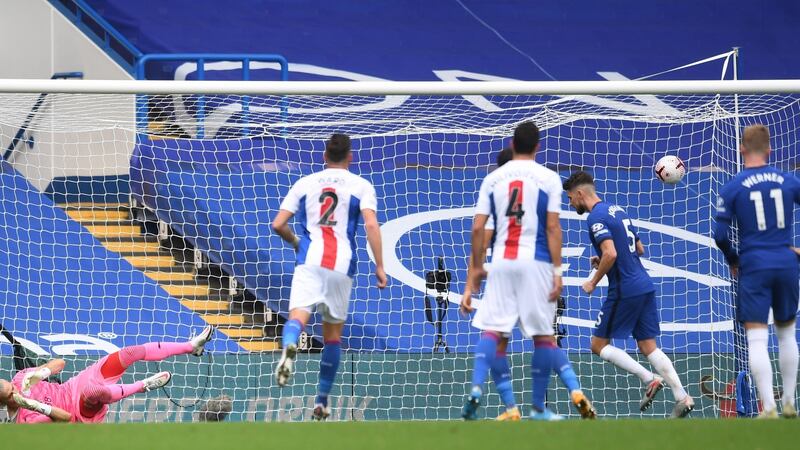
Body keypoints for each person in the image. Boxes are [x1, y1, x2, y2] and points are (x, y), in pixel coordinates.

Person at [462, 122, 595, 421]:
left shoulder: (493, 180)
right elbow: (552, 227)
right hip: (536, 262)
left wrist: (475, 275)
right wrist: (558, 272)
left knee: (493, 331)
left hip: (503, 261)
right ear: (538, 146)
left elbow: (478, 229)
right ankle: (541, 406)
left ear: (512, 143)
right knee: (544, 337)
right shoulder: (547, 178)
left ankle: (477, 389)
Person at [272, 133, 387, 421]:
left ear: (324, 156)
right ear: (350, 157)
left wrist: (296, 242)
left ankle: (289, 345)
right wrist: (380, 266)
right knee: (332, 337)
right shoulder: (362, 186)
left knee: (297, 318)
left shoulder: (305, 183)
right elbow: (371, 224)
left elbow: (277, 224)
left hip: (309, 260)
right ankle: (322, 402)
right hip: (342, 264)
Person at [563, 170, 694, 418]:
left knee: (598, 344)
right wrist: (601, 258)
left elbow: (611, 254)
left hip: (625, 288)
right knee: (648, 346)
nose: (570, 204)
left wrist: (593, 281)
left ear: (580, 194)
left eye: (570, 198)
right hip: (644, 284)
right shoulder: (617, 209)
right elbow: (639, 249)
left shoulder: (595, 218)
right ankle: (682, 397)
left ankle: (649, 378)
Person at [714, 124, 800, 419]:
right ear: (770, 149)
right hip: (786, 262)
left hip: (753, 265)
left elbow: (720, 235)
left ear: (740, 149)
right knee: (787, 334)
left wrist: (733, 259)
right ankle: (790, 401)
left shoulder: (733, 186)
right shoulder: (788, 180)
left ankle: (770, 408)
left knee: (757, 339)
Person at [0, 325, 214, 423]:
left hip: (73, 386)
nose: (15, 388)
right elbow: (65, 419)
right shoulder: (25, 422)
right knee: (93, 391)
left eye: (11, 385)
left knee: (129, 353)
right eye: (11, 393)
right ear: (4, 403)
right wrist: (33, 405)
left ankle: (191, 346)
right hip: (78, 414)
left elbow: (60, 363)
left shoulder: (21, 379)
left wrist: (40, 372)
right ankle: (143, 386)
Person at [461, 147, 521, 421]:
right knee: (505, 345)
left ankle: (476, 388)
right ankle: (511, 409)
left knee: (489, 334)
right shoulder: (538, 188)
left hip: (504, 270)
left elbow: (480, 242)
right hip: (536, 273)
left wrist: (469, 287)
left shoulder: (494, 194)